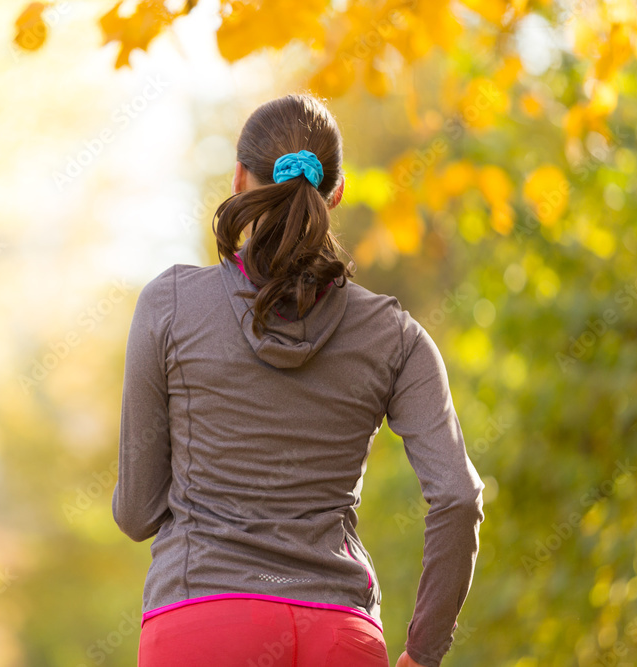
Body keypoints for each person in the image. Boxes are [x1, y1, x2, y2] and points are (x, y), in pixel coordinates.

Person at [112, 92, 485, 667]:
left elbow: (137, 513)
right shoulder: (395, 336)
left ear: (239, 178)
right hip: (338, 631)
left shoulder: (169, 305)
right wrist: (425, 651)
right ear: (336, 191)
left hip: (201, 622)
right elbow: (458, 498)